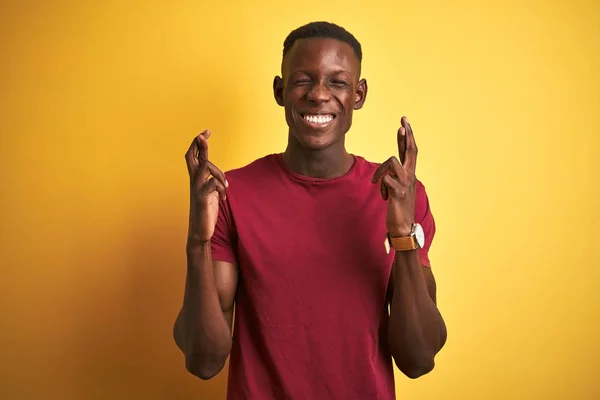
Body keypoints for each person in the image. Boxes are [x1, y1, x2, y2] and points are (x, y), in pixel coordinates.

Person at [173, 21, 447, 400]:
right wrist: (196, 242)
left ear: (359, 94)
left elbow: (419, 358)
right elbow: (204, 361)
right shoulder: (230, 195)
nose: (319, 95)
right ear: (280, 91)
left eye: (337, 82)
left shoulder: (399, 196)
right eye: (303, 80)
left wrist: (403, 234)